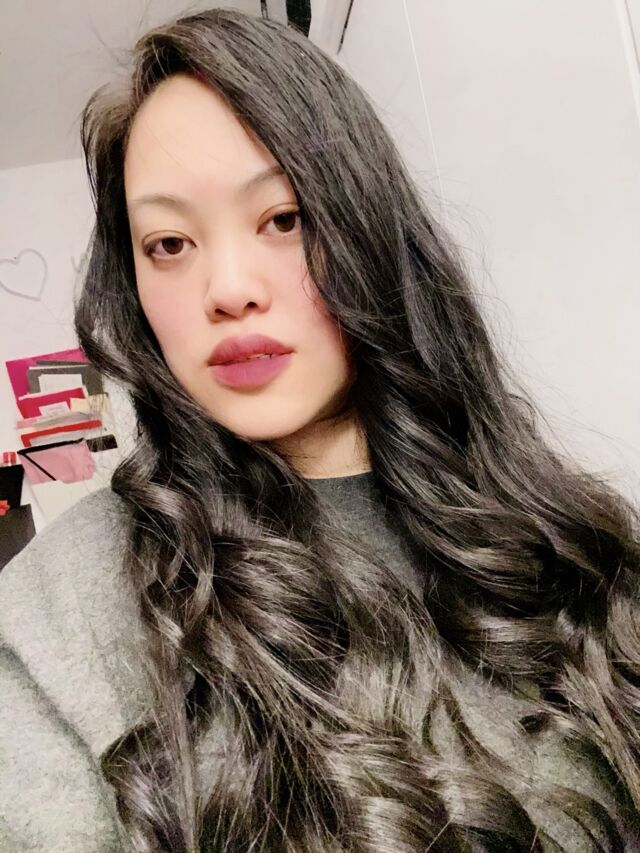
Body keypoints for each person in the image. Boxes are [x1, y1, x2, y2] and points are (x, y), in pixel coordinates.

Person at [1, 7, 639, 852]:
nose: (229, 288)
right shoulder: (60, 612)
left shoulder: (565, 534)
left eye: (284, 218)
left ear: (369, 226)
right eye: (169, 243)